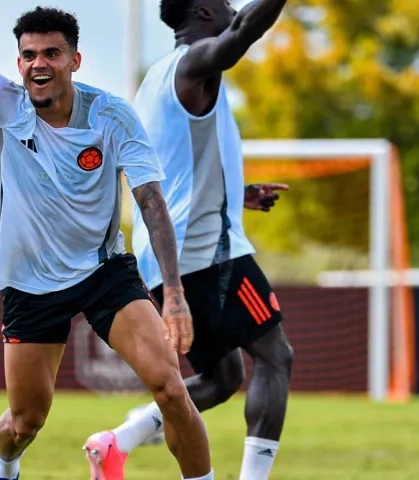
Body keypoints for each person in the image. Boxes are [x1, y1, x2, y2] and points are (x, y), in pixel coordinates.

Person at [0, 2, 215, 479]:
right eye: (28, 55)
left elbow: (151, 202)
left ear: (74, 61)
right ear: (19, 62)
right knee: (25, 422)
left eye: (51, 53)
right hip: (29, 281)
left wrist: (173, 293)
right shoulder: (1, 98)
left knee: (171, 389)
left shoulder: (112, 116)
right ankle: (2, 470)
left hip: (103, 271)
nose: (38, 64)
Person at [83, 0, 294, 479]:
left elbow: (174, 170)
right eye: (224, 4)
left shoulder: (155, 79)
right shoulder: (195, 64)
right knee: (276, 356)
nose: (233, 9)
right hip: (206, 253)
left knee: (224, 377)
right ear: (203, 13)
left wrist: (238, 193)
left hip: (168, 258)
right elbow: (242, 33)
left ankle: (120, 439)